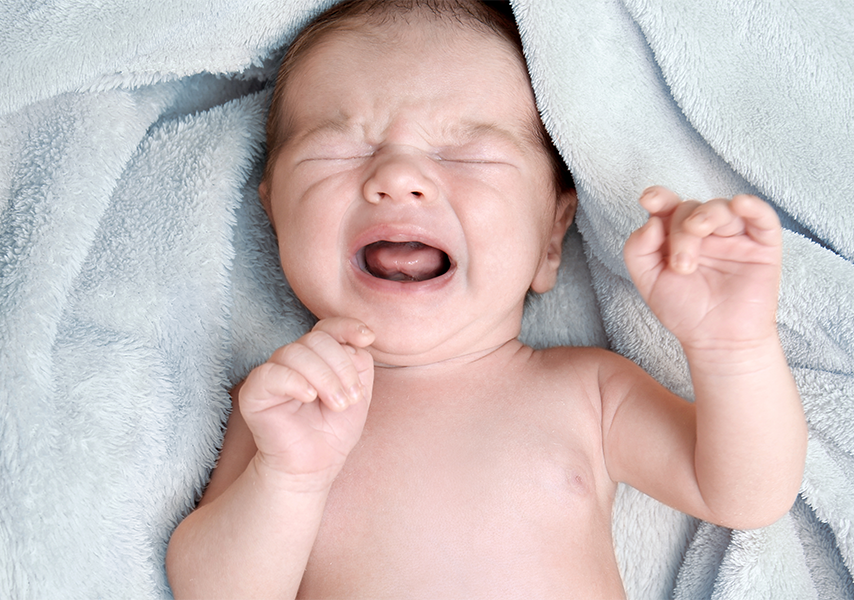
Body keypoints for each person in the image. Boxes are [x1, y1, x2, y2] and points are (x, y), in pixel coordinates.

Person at [166, 0, 806, 596]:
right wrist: (287, 478)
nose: (399, 178)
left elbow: (743, 495)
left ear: (550, 240)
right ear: (275, 215)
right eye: (343, 147)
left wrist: (732, 347)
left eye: (466, 154)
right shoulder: (283, 407)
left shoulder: (588, 392)